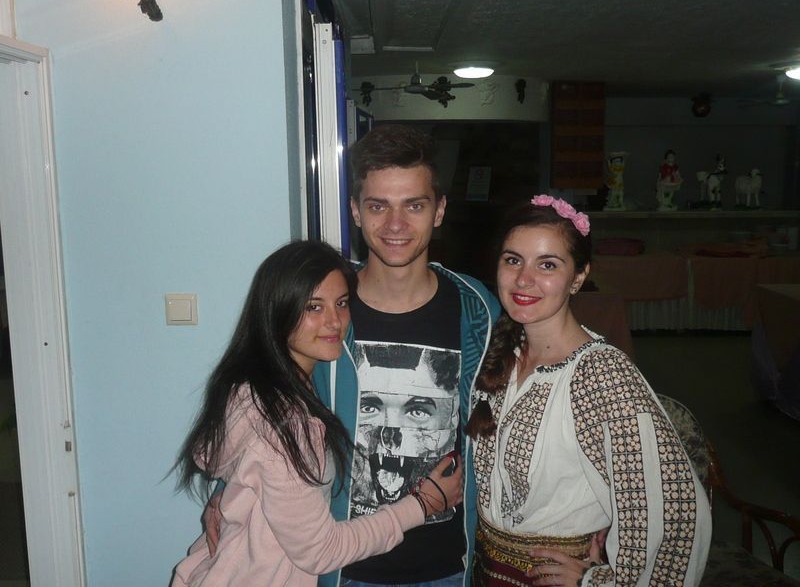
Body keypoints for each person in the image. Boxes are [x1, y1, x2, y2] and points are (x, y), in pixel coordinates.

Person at [170, 240, 463, 586]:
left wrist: (229, 495)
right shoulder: (286, 422)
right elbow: (321, 551)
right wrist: (422, 504)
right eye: (314, 307)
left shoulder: (254, 389)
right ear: (278, 310)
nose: (334, 321)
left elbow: (245, 466)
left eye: (341, 303)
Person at [466, 196, 712, 586]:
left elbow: (674, 509)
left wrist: (602, 580)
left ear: (579, 277)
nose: (524, 279)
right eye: (513, 260)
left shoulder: (600, 374)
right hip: (485, 573)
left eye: (547, 265)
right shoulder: (497, 356)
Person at [313, 124, 501, 587]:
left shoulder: (476, 309)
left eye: (413, 206)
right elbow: (271, 402)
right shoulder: (321, 307)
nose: (395, 225)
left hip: (445, 566)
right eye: (378, 206)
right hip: (342, 564)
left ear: (439, 210)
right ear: (355, 211)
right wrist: (230, 490)